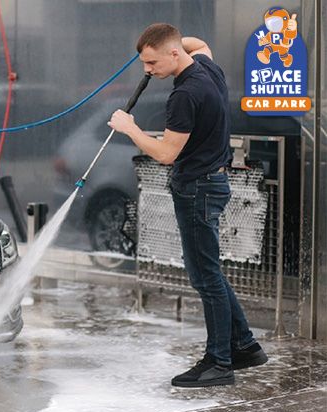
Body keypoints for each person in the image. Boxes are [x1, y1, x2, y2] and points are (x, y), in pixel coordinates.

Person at [107, 23, 268, 388]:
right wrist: (168, 41)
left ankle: (219, 363)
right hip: (212, 183)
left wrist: (130, 127)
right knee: (210, 272)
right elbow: (202, 43)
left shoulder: (184, 96)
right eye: (144, 64)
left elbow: (165, 153)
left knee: (205, 278)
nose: (147, 70)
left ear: (175, 54)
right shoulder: (207, 68)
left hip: (197, 190)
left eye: (151, 62)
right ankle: (245, 346)